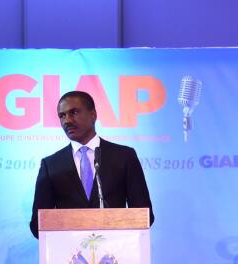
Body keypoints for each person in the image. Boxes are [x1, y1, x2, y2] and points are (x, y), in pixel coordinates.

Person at [29, 91, 154, 237]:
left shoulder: (124, 156)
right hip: (69, 254)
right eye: (62, 116)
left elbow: (144, 214)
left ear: (93, 114)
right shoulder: (51, 165)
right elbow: (38, 224)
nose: (67, 120)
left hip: (116, 252)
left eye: (74, 112)